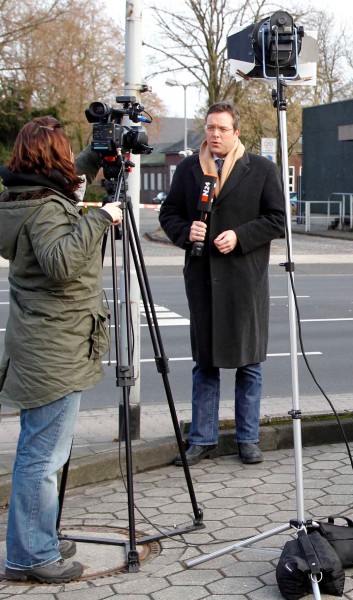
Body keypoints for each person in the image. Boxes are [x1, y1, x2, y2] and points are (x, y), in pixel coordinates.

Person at [0, 116, 122, 583]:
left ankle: (37, 537)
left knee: (43, 449)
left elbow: (64, 188)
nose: (72, 157)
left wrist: (95, 157)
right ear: (51, 156)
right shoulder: (47, 209)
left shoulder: (24, 196)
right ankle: (30, 556)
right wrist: (101, 216)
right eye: (66, 151)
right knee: (42, 455)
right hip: (54, 351)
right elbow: (63, 262)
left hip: (44, 344)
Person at [159, 102, 285, 467]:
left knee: (249, 364)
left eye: (222, 129)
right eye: (210, 127)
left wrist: (241, 236)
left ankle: (248, 439)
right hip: (203, 281)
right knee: (205, 363)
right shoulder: (188, 169)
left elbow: (277, 218)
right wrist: (186, 232)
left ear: (236, 132)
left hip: (245, 281)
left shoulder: (261, 169)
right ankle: (202, 439)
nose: (214, 135)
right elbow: (169, 214)